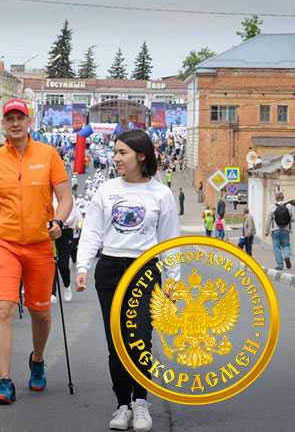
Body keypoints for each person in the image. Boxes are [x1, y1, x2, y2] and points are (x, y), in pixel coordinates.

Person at [75, 129, 180, 432]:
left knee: (140, 336)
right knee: (116, 342)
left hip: (144, 269)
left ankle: (141, 401)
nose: (116, 158)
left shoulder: (161, 193)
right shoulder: (107, 190)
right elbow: (92, 231)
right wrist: (83, 267)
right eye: (115, 152)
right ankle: (122, 404)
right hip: (109, 268)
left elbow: (169, 240)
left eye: (122, 153)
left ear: (141, 156)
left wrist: (173, 280)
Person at [0, 98, 73, 404]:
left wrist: (58, 220)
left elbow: (65, 198)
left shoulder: (48, 154)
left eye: (20, 117)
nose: (15, 123)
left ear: (29, 121)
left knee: (40, 311)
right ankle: (4, 381)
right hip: (5, 245)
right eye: (9, 118)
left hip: (41, 244)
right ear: (3, 124)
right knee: (3, 307)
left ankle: (38, 358)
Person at [265, 191, 295, 270]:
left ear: (275, 198)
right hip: (285, 230)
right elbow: (293, 218)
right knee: (286, 245)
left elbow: (268, 219)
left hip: (275, 230)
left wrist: (266, 231)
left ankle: (280, 265)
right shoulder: (288, 206)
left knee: (276, 248)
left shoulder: (272, 206)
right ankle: (287, 256)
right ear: (283, 197)